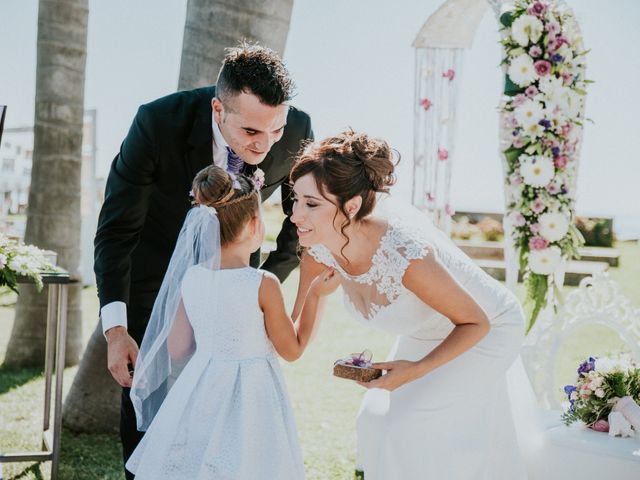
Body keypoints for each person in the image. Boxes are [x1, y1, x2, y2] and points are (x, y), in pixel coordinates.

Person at [94, 44, 313, 478]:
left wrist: (256, 284)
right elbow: (117, 230)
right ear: (218, 109)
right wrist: (117, 331)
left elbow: (300, 218)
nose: (266, 146)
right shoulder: (157, 123)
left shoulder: (296, 129)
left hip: (236, 282)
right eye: (252, 132)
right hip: (153, 278)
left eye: (275, 131)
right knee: (149, 398)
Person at [289, 130, 527, 479]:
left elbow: (476, 322)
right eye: (294, 199)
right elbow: (294, 335)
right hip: (426, 329)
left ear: (351, 206)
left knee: (407, 426)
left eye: (311, 204)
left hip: (487, 328)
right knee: (372, 421)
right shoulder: (316, 247)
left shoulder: (402, 251)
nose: (296, 215)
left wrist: (414, 371)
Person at [125, 165, 338, 479]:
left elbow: (179, 348)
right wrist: (316, 297)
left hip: (201, 387)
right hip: (252, 394)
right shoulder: (262, 283)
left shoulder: (192, 278)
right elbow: (291, 349)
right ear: (254, 225)